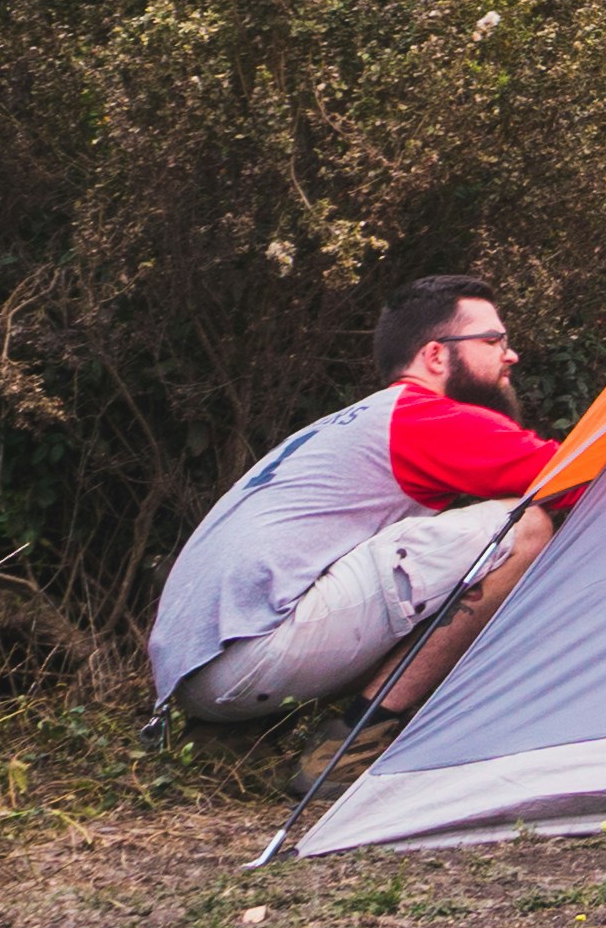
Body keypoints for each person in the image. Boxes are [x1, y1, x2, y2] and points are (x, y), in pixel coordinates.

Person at [148, 274, 567, 724]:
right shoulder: (421, 418)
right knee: (524, 527)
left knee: (452, 558)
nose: (511, 354)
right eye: (492, 339)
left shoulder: (355, 420)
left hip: (197, 673)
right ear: (435, 354)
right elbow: (575, 478)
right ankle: (363, 731)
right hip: (247, 660)